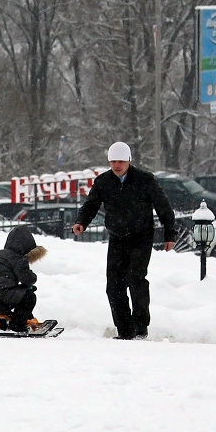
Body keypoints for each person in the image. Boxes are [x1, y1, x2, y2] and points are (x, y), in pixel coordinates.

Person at [71, 141, 175, 340]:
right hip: (117, 238)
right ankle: (125, 330)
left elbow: (163, 206)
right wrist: (81, 222)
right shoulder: (103, 181)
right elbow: (91, 204)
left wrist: (170, 234)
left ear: (128, 160)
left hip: (141, 237)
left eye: (120, 161)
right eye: (113, 161)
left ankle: (140, 327)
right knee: (114, 286)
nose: (117, 165)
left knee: (136, 280)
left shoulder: (145, 180)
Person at [0, 225, 45, 332]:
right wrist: (32, 279)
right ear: (27, 246)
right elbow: (26, 278)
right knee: (29, 298)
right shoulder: (18, 258)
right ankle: (17, 324)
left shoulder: (1, 254)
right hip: (0, 292)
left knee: (9, 300)